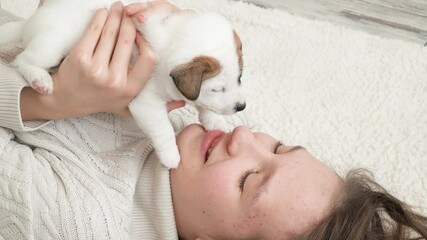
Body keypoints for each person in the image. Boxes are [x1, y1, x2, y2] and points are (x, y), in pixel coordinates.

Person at [0, 1, 426, 240]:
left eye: (248, 180)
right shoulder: (200, 135)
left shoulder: (69, 220)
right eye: (278, 146)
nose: (242, 136)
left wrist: (46, 105)